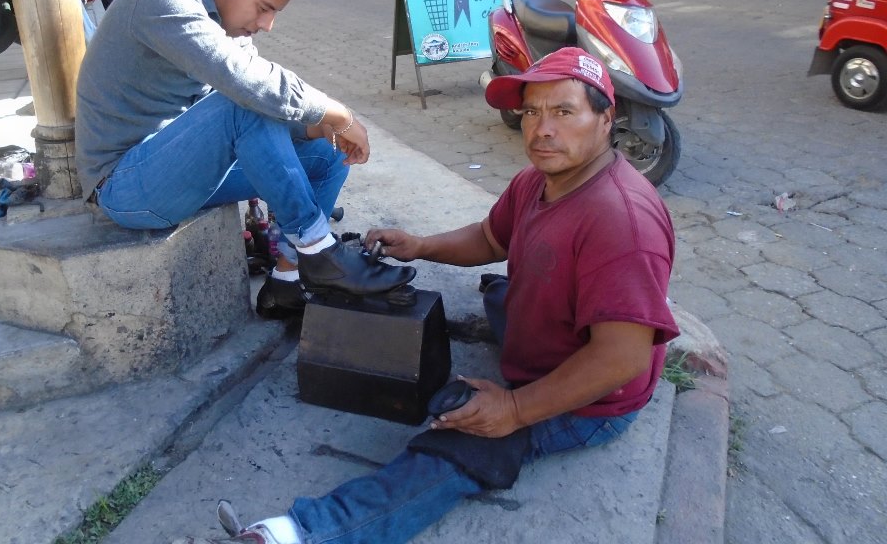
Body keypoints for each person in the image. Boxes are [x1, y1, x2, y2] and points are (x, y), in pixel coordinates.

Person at [179, 47, 680, 544]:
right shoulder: (540, 179)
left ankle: (300, 533)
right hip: (547, 342)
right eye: (531, 112)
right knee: (504, 292)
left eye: (564, 112)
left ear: (606, 118)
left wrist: (516, 409)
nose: (542, 129)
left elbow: (622, 357)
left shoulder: (620, 220)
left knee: (455, 447)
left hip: (591, 401)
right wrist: (420, 246)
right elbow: (491, 239)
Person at [76, 0, 415, 319]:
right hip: (123, 187)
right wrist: (336, 113)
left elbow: (258, 107)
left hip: (185, 169)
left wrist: (314, 127)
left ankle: (287, 281)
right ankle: (319, 252)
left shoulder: (227, 27)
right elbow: (247, 86)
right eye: (265, 7)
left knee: (327, 154)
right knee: (245, 101)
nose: (267, 25)